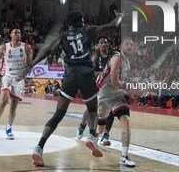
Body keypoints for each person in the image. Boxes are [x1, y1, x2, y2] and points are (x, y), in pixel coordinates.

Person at [19, 10, 123, 167]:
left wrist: (32, 65)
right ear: (80, 22)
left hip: (70, 75)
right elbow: (113, 26)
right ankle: (91, 137)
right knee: (92, 110)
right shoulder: (88, 30)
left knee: (58, 114)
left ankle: (38, 147)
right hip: (86, 73)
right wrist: (120, 16)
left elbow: (48, 50)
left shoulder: (62, 36)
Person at [96, 37, 136, 167]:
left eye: (131, 44)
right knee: (100, 129)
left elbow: (121, 82)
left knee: (125, 120)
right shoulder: (117, 58)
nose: (130, 46)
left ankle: (124, 156)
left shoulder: (127, 63)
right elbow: (114, 82)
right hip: (104, 96)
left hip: (117, 96)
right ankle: (95, 137)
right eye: (127, 44)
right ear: (121, 46)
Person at [0, 27, 32, 140]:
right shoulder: (4, 47)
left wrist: (23, 75)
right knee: (3, 101)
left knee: (13, 106)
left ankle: (9, 128)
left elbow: (30, 66)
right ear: (11, 35)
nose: (18, 34)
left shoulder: (26, 47)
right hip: (7, 76)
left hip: (19, 79)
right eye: (15, 32)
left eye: (19, 33)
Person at [76, 36, 116, 146]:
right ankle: (82, 126)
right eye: (101, 42)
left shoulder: (113, 55)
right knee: (91, 109)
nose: (104, 44)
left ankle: (105, 135)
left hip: (108, 87)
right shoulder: (95, 56)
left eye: (105, 42)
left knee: (111, 109)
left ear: (108, 44)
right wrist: (104, 73)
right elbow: (91, 72)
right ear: (98, 45)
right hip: (96, 85)